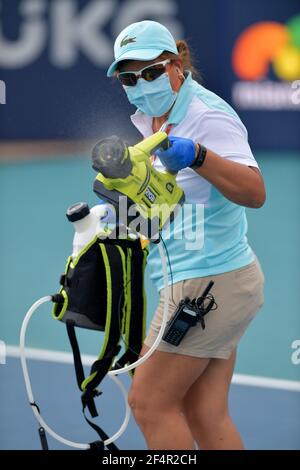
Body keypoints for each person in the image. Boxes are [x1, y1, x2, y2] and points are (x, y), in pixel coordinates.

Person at [107, 20, 266, 450]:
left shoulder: (206, 117)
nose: (140, 84)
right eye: (128, 78)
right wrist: (121, 217)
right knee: (203, 412)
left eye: (152, 72)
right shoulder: (152, 117)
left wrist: (198, 156)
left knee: (149, 404)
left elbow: (254, 192)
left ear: (176, 66)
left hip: (206, 287)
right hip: (216, 282)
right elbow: (174, 208)